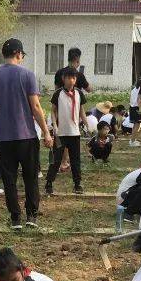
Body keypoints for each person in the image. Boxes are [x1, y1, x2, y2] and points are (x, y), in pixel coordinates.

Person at [0, 39, 53, 230]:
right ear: (19, 53)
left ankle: (15, 218)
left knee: (9, 179)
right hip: (26, 135)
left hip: (3, 138)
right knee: (30, 177)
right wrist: (46, 132)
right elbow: (35, 107)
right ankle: (31, 216)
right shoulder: (27, 75)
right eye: (22, 55)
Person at [46, 67, 88, 196]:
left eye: (74, 78)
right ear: (63, 79)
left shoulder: (79, 94)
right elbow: (53, 110)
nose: (71, 80)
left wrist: (86, 125)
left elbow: (81, 110)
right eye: (69, 78)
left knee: (75, 160)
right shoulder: (58, 94)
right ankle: (49, 183)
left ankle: (77, 184)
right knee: (56, 160)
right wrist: (54, 125)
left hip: (74, 133)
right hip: (61, 133)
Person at [129, 76, 141, 147]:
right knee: (137, 125)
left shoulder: (134, 88)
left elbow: (132, 98)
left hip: (131, 108)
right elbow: (138, 99)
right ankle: (132, 142)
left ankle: (132, 140)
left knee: (135, 125)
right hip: (136, 108)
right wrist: (140, 109)